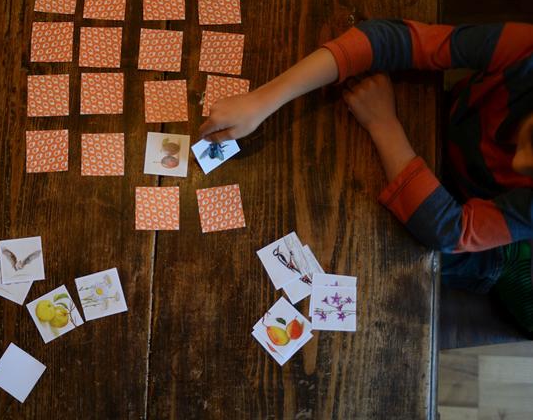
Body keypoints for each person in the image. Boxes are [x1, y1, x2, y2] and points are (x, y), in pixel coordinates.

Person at [200, 19, 533, 333]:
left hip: (487, 251)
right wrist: (262, 100)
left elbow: (449, 231)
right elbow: (387, 38)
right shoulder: (525, 49)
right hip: (440, 132)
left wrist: (383, 124)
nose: (518, 165)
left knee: (380, 262)